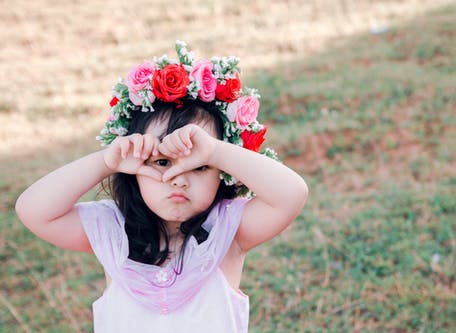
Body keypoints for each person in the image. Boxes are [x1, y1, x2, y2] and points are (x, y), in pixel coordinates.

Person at [15, 41, 308, 332]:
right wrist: (106, 161)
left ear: (222, 174)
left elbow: (291, 195)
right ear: (135, 169)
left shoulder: (229, 230)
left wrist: (216, 151)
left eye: (201, 167)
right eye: (162, 163)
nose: (180, 179)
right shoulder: (113, 230)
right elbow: (34, 210)